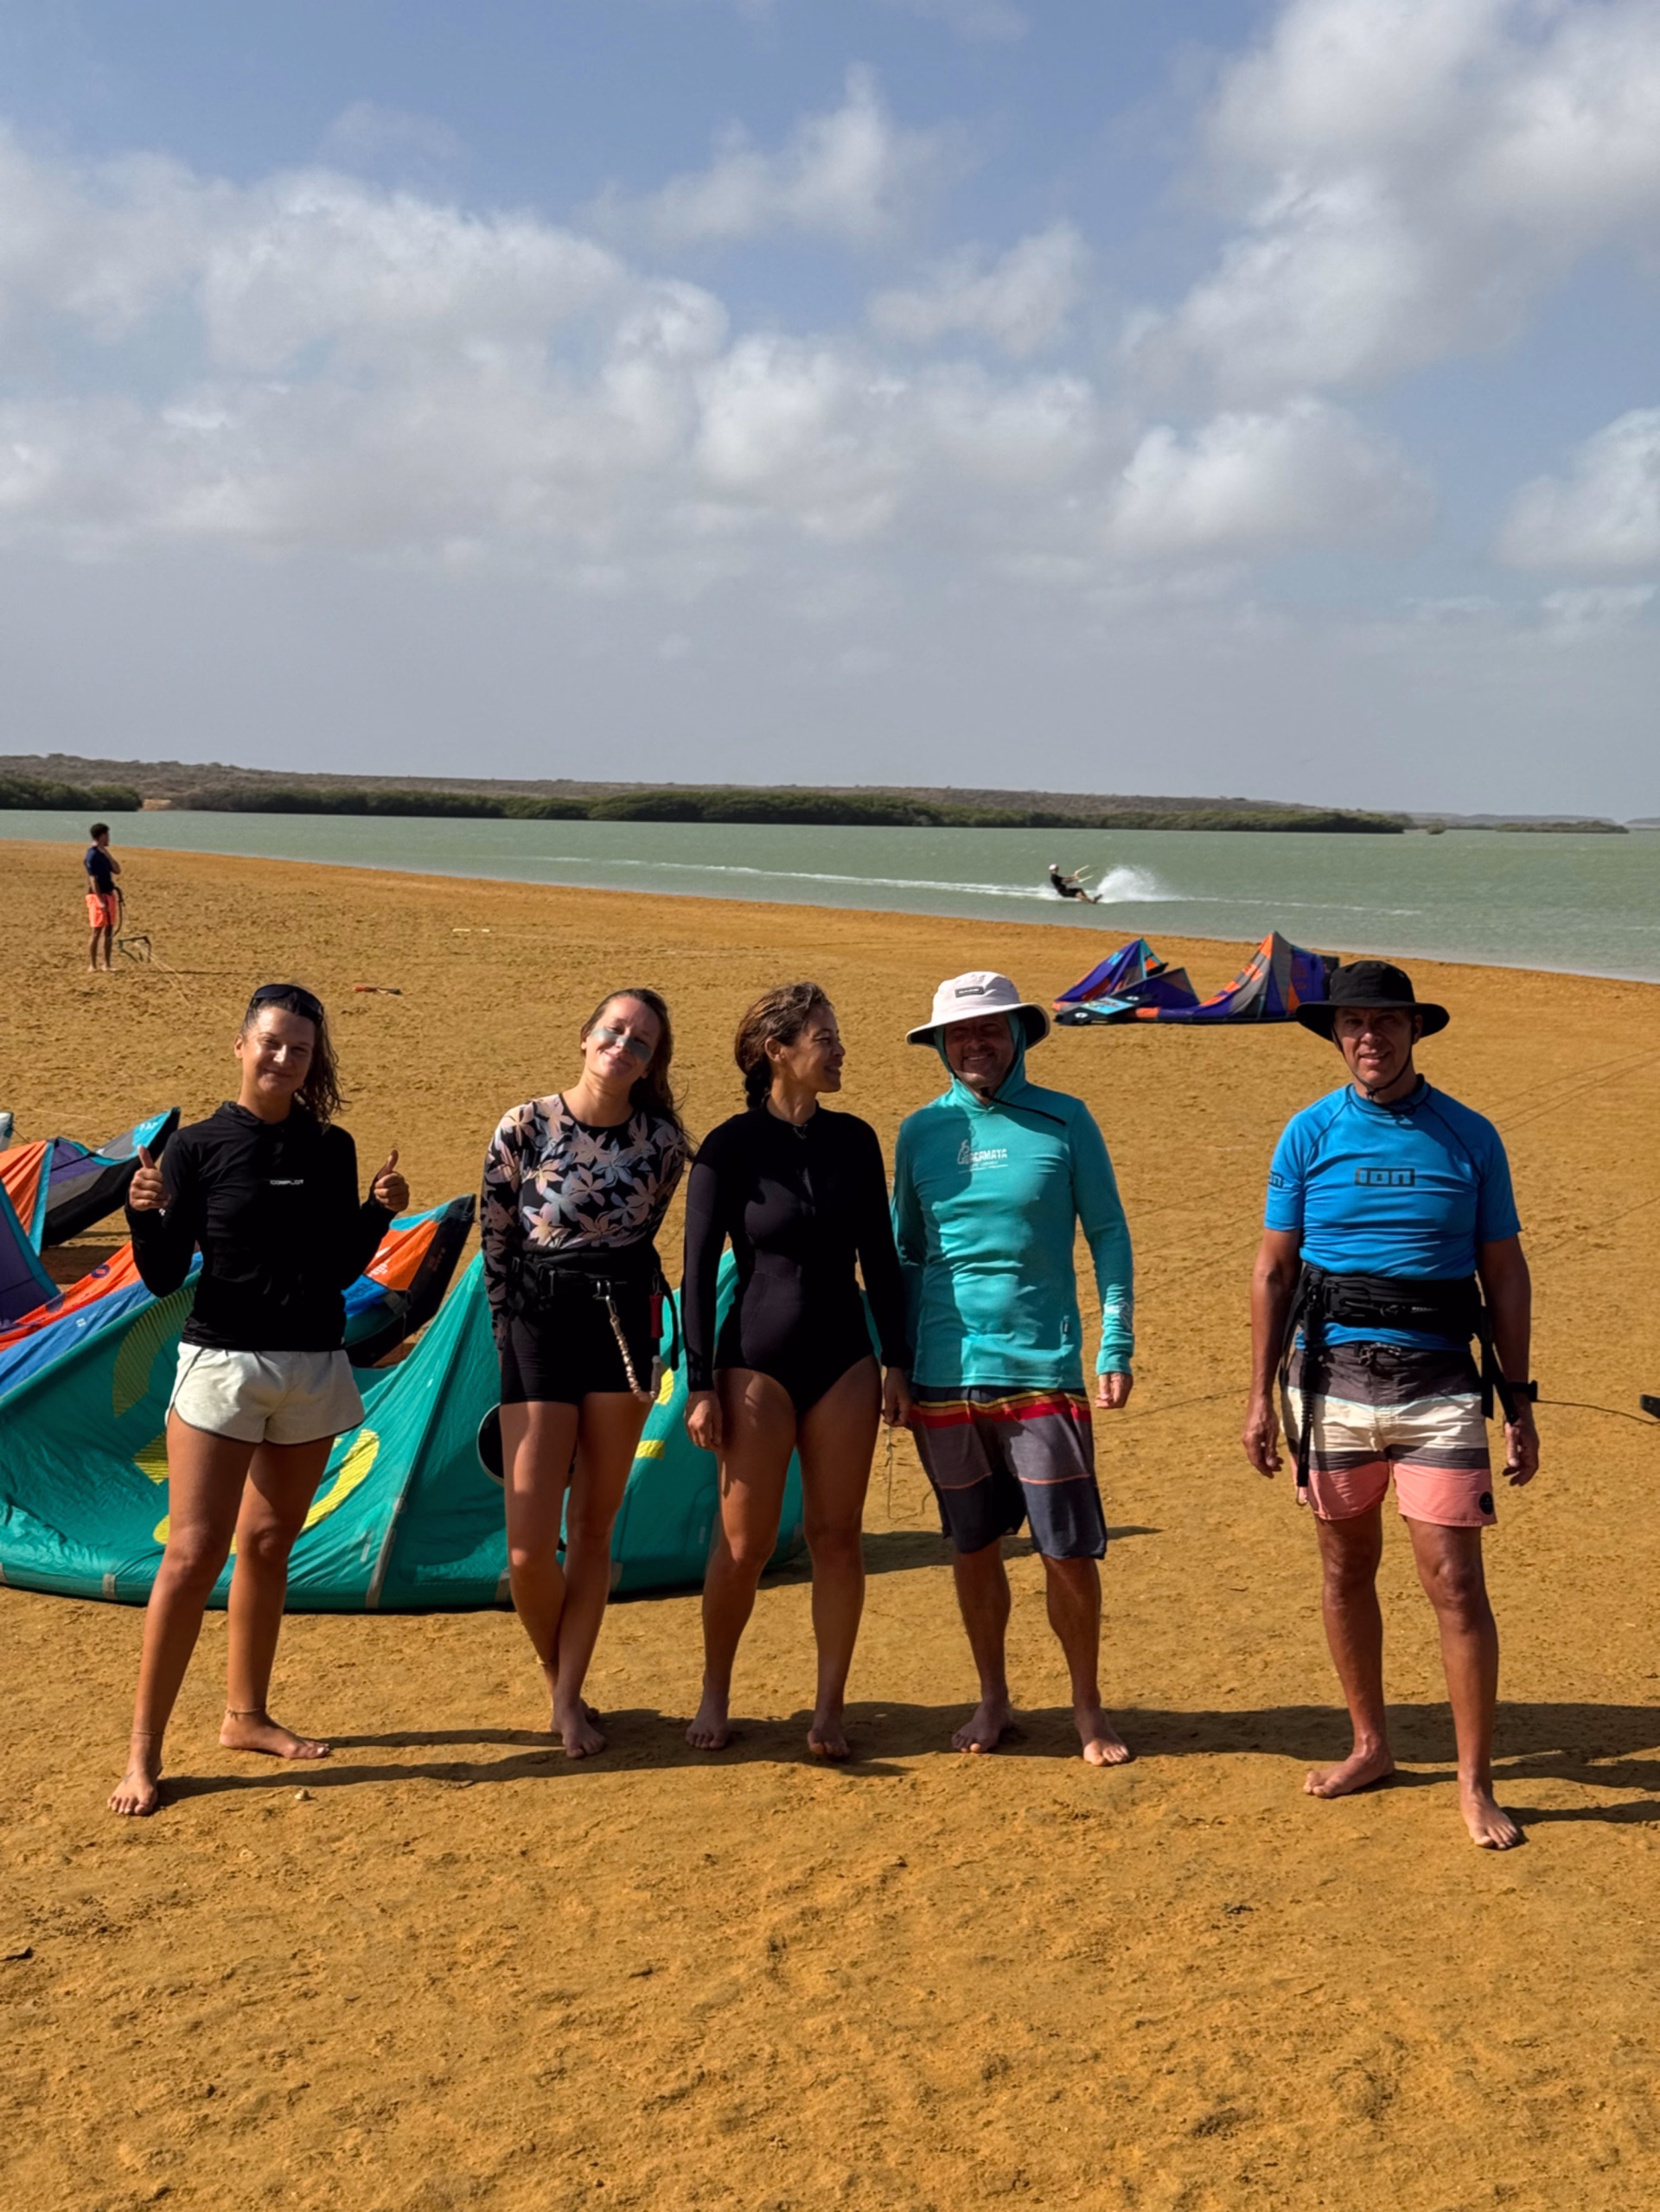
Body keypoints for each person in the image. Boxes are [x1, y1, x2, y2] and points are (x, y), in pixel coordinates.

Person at [1241, 959, 1539, 1851]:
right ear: (1338, 1037)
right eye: (1354, 1026)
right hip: (1329, 1381)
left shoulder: (1469, 1136)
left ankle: (1474, 1781)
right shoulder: (1308, 1133)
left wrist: (1518, 1399)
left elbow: (1505, 1272)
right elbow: (1272, 1270)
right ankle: (1369, 1745)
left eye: (1386, 1023)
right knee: (1344, 1568)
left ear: (1415, 1031)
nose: (1370, 1039)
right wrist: (1258, 1397)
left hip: (1441, 1382)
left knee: (1453, 1580)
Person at [109, 984, 408, 1817]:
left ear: (314, 1062)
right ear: (241, 1045)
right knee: (194, 1552)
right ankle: (144, 1751)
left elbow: (340, 1268)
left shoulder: (332, 1146)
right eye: (271, 1042)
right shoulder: (197, 1149)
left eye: (300, 1049)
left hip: (312, 1362)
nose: (283, 1058)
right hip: (222, 1364)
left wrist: (378, 1217)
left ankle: (246, 1715)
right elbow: (166, 1274)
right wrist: (142, 1216)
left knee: (270, 1542)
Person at [892, 971, 1134, 1764]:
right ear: (939, 1045)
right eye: (959, 1034)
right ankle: (992, 1696)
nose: (975, 1044)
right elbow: (906, 1253)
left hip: (1042, 1367)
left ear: (1020, 1035)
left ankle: (1088, 1708)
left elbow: (1108, 1235)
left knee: (1066, 1549)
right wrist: (895, 1362)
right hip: (942, 1373)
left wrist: (1115, 1343)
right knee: (972, 1545)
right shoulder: (921, 1132)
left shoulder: (1066, 1121)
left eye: (991, 1029)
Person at [681, 982, 911, 1759]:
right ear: (776, 1050)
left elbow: (880, 1258)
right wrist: (699, 1381)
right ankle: (716, 1688)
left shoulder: (856, 1140)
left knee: (836, 1536)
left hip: (845, 1357)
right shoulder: (728, 1146)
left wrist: (898, 1362)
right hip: (755, 1361)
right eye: (824, 1036)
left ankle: (829, 1705)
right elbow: (691, 1271)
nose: (840, 1048)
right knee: (743, 1547)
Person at [481, 989, 688, 1757]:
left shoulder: (662, 1141)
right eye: (615, 1029)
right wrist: (510, 1339)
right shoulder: (524, 1126)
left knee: (592, 1526)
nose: (624, 1044)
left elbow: (647, 1232)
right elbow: (495, 1241)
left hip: (622, 1323)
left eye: (642, 1041)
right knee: (529, 1548)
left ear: (650, 1063)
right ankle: (555, 1667)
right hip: (536, 1322)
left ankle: (567, 1700)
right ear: (585, 1036)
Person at [85, 823, 121, 971]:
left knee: (109, 930)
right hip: (97, 897)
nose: (109, 838)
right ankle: (92, 965)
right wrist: (99, 900)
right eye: (107, 835)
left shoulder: (103, 854)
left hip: (109, 894)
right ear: (102, 836)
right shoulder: (91, 855)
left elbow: (117, 870)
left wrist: (107, 853)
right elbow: (92, 879)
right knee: (97, 930)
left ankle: (107, 964)